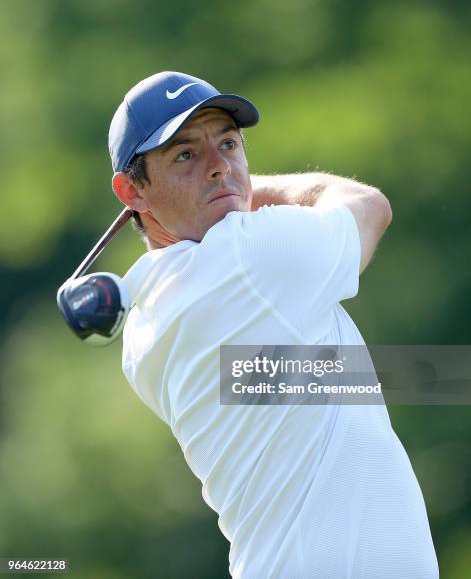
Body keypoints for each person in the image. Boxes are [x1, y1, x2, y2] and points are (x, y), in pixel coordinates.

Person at [109, 71, 439, 578]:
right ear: (132, 191)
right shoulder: (247, 257)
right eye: (185, 155)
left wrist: (214, 188)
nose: (219, 166)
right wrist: (243, 188)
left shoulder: (142, 325)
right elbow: (368, 206)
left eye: (229, 144)